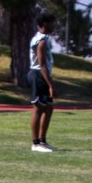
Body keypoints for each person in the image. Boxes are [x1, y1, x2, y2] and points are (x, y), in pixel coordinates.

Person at [28, 11, 57, 153]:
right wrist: (50, 85)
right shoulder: (41, 41)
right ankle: (35, 143)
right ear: (44, 23)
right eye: (52, 22)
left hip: (44, 75)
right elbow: (42, 64)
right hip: (38, 75)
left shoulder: (44, 38)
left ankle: (43, 140)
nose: (54, 25)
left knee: (49, 108)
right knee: (38, 108)